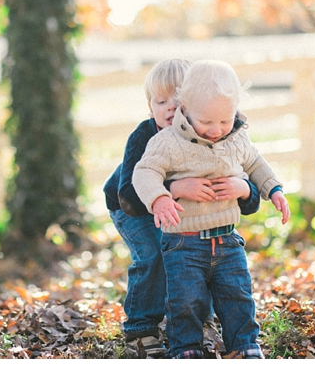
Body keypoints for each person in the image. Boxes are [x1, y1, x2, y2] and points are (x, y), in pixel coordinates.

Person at [103, 58, 263, 358]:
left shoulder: (210, 134)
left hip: (181, 213)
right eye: (161, 101)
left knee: (200, 257)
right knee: (154, 256)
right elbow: (129, 196)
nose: (171, 108)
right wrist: (174, 189)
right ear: (150, 107)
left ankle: (200, 319)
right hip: (132, 208)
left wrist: (247, 191)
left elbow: (247, 188)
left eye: (178, 101)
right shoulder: (144, 136)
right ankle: (141, 328)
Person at [132, 59, 290, 359]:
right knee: (185, 300)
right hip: (184, 241)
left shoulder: (237, 137)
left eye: (224, 121)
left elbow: (255, 163)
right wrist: (161, 197)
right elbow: (144, 172)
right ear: (185, 109)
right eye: (207, 123)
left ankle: (244, 345)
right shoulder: (166, 142)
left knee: (237, 294)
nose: (216, 130)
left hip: (227, 240)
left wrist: (274, 189)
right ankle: (187, 347)